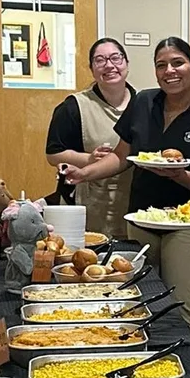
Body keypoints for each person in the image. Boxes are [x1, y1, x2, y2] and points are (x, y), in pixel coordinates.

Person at [66, 37, 190, 321]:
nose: (169, 71)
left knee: (181, 305)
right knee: (137, 297)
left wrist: (178, 175)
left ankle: (185, 350)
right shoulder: (143, 102)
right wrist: (84, 173)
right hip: (142, 216)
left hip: (185, 225)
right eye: (161, 65)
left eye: (178, 63)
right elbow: (121, 156)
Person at [44, 37, 136, 239]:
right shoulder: (73, 107)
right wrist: (88, 159)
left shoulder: (143, 104)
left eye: (115, 58)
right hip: (87, 201)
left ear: (127, 63)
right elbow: (53, 154)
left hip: (132, 203)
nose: (109, 65)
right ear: (92, 69)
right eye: (100, 60)